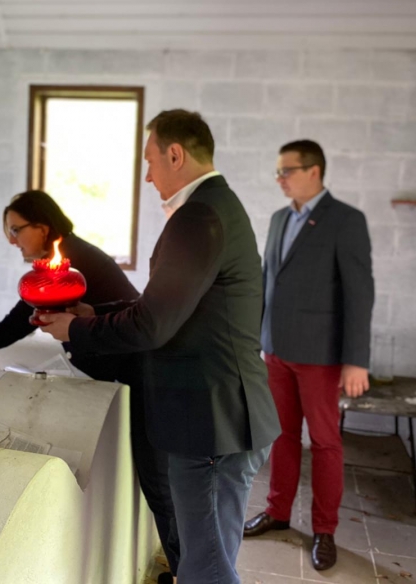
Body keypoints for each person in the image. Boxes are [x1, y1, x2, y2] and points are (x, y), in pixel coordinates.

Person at [39, 109, 280, 584]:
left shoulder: (198, 216)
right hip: (226, 414)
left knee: (205, 571)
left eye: (149, 162)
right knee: (210, 561)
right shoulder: (219, 206)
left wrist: (76, 331)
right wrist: (94, 315)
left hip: (209, 423)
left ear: (175, 155)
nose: (148, 177)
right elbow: (177, 310)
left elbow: (153, 325)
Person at [0, 190, 180, 577]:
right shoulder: (69, 255)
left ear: (43, 228)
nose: (12, 240)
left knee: (160, 486)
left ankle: (186, 572)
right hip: (134, 373)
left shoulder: (68, 267)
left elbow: (11, 329)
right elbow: (20, 323)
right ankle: (182, 567)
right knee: (158, 485)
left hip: (142, 375)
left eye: (16, 229)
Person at [243, 140, 374, 572]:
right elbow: (268, 281)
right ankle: (278, 511)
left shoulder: (346, 220)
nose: (279, 179)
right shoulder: (279, 219)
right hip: (276, 350)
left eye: (287, 171)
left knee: (324, 442)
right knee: (280, 435)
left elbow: (359, 293)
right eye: (278, 172)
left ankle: (324, 530)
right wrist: (255, 338)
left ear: (313, 171)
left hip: (320, 355)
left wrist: (356, 359)